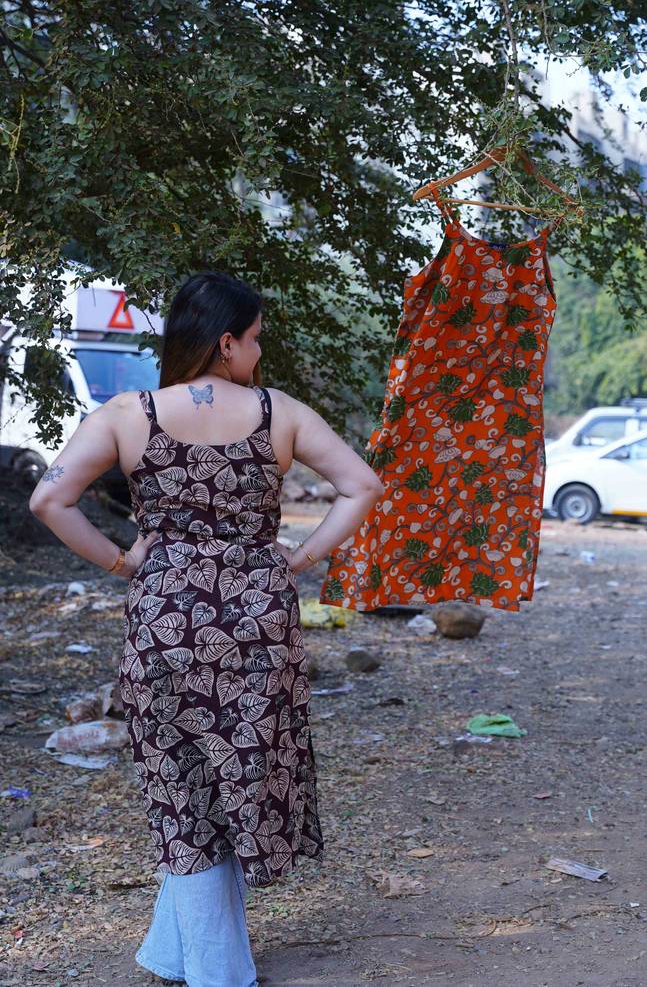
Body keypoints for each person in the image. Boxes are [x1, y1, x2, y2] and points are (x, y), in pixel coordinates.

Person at [29, 270, 384, 987]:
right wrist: (303, 556)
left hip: (166, 622)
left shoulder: (129, 415)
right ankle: (220, 974)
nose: (258, 354)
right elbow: (363, 485)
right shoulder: (277, 412)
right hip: (258, 623)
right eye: (254, 340)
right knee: (244, 776)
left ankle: (174, 953)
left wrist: (125, 560)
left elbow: (49, 499)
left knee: (182, 786)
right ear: (226, 342)